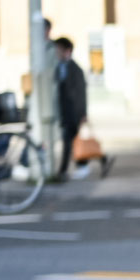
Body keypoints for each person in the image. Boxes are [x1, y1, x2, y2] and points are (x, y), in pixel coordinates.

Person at [53, 36, 88, 179]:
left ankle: (64, 170)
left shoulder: (75, 69)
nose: (57, 53)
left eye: (59, 50)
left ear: (68, 51)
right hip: (64, 111)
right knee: (71, 140)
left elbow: (81, 94)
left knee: (70, 141)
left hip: (73, 112)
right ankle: (99, 160)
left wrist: (83, 114)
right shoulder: (59, 67)